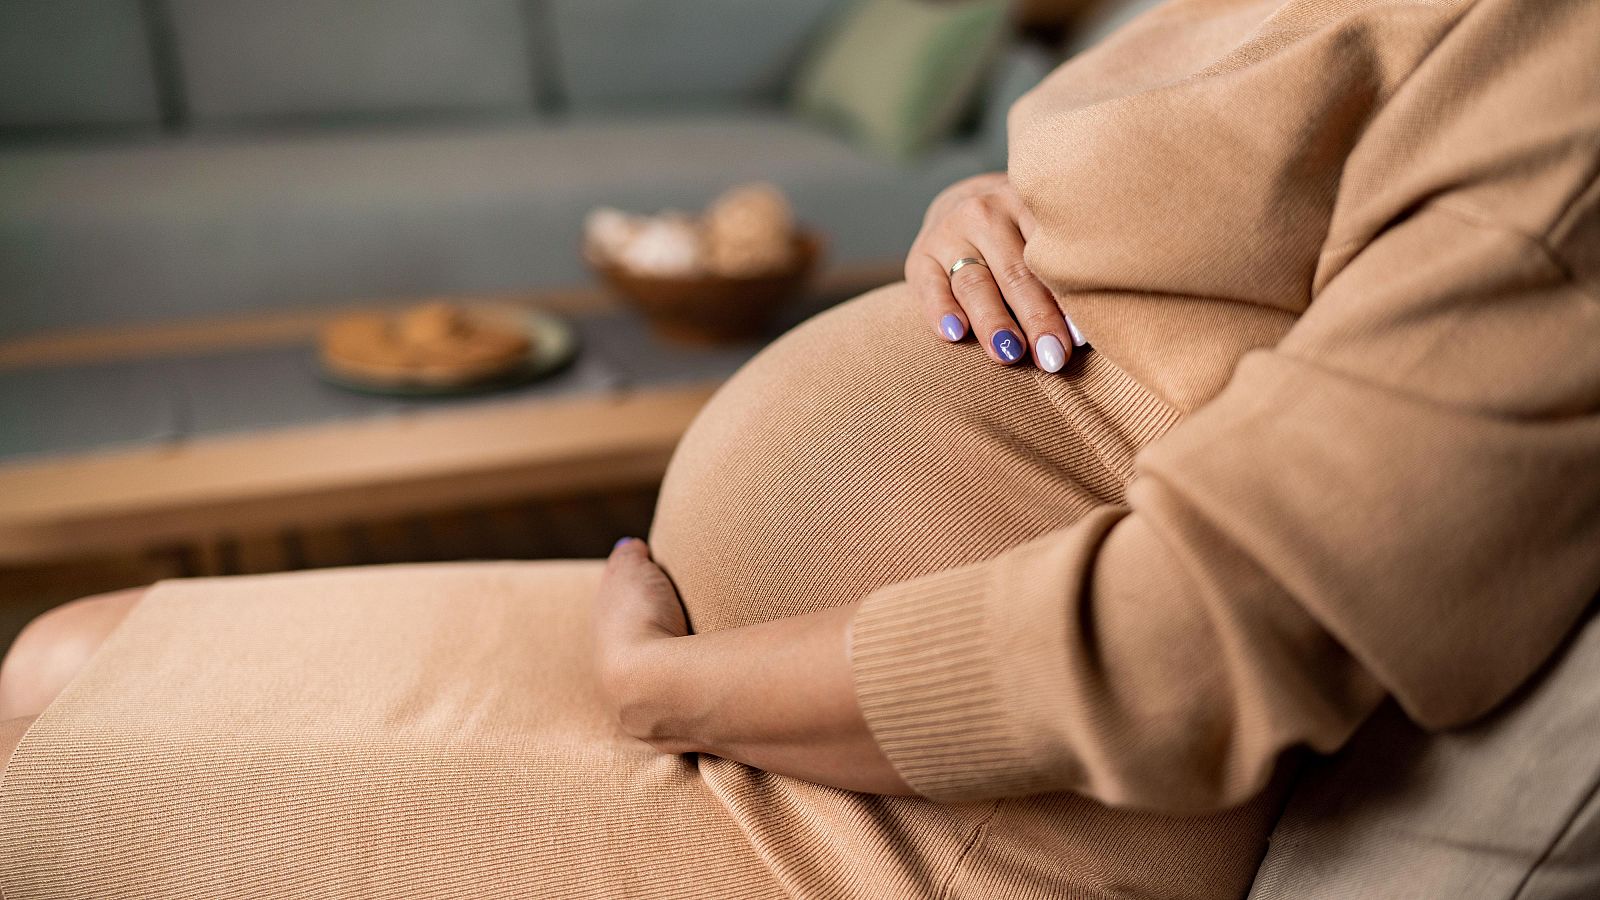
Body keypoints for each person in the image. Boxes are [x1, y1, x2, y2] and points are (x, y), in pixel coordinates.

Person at [3, 0, 1598, 896]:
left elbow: (1216, 634)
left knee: (37, 787)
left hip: (946, 830)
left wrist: (667, 691)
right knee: (52, 654)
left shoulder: (1562, 73)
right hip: (778, 691)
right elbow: (1201, 246)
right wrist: (989, 210)